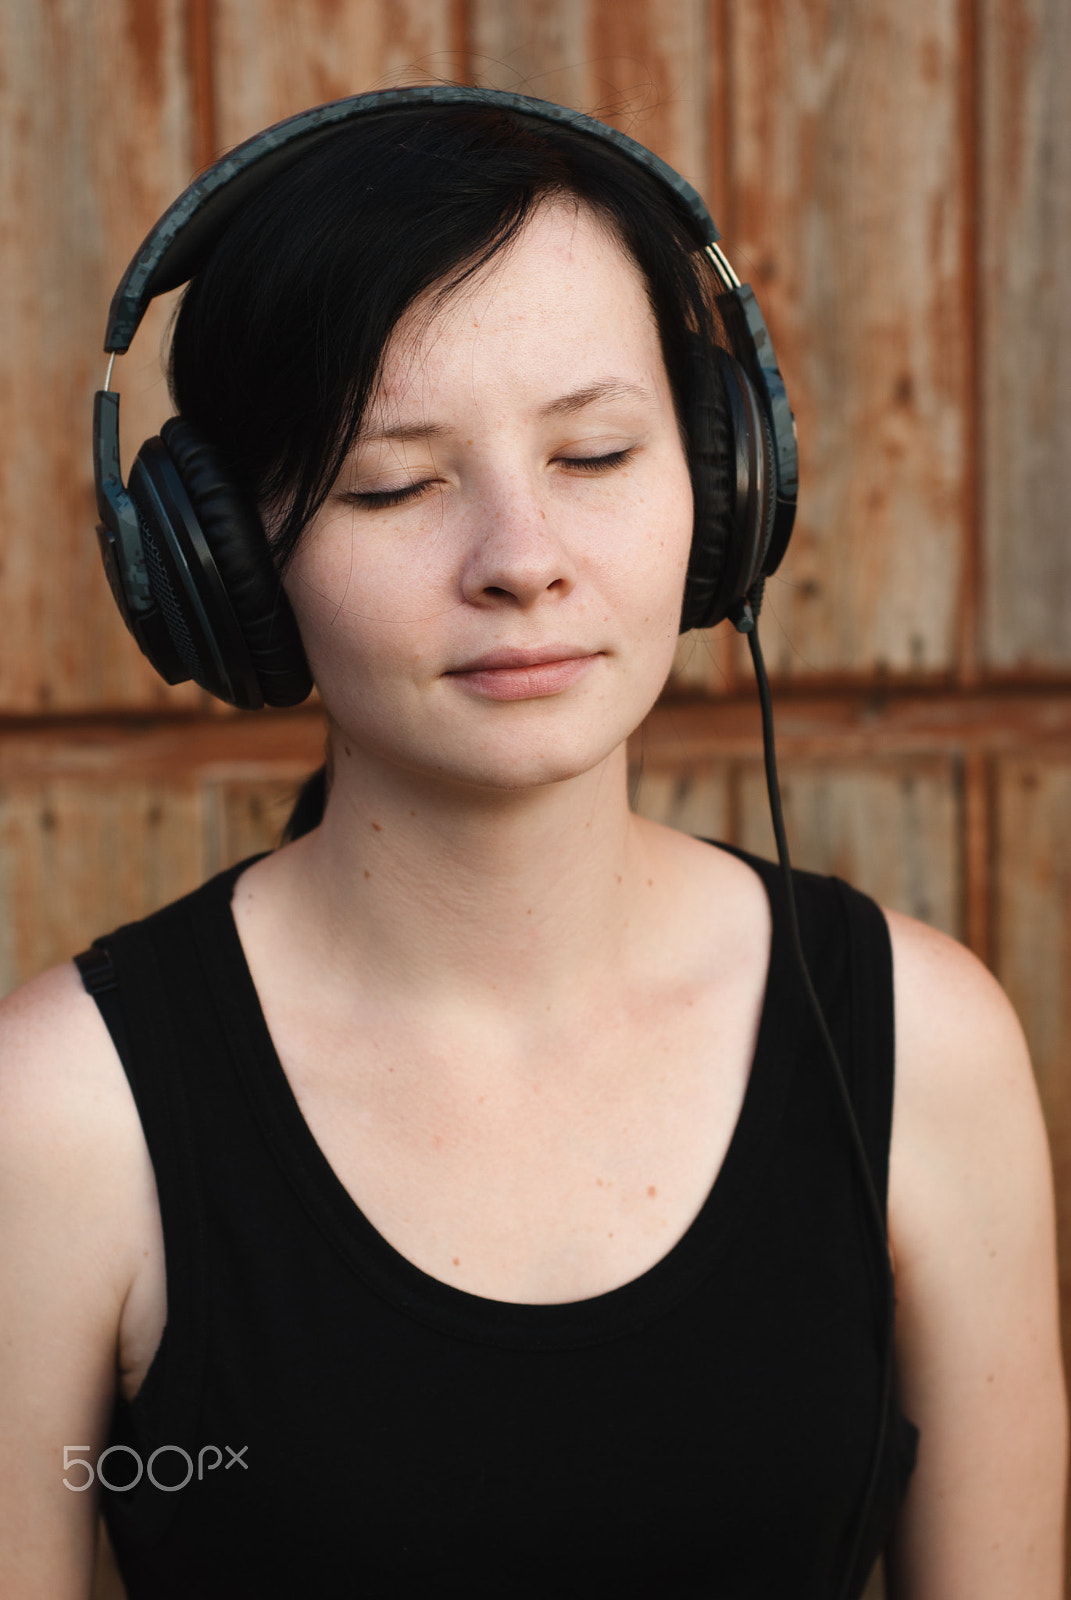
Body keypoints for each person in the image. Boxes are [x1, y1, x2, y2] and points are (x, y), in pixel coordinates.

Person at [0, 90, 1064, 1600]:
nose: (522, 561)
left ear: (725, 481)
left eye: (597, 455)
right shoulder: (59, 1118)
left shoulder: (923, 1045)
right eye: (395, 482)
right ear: (222, 564)